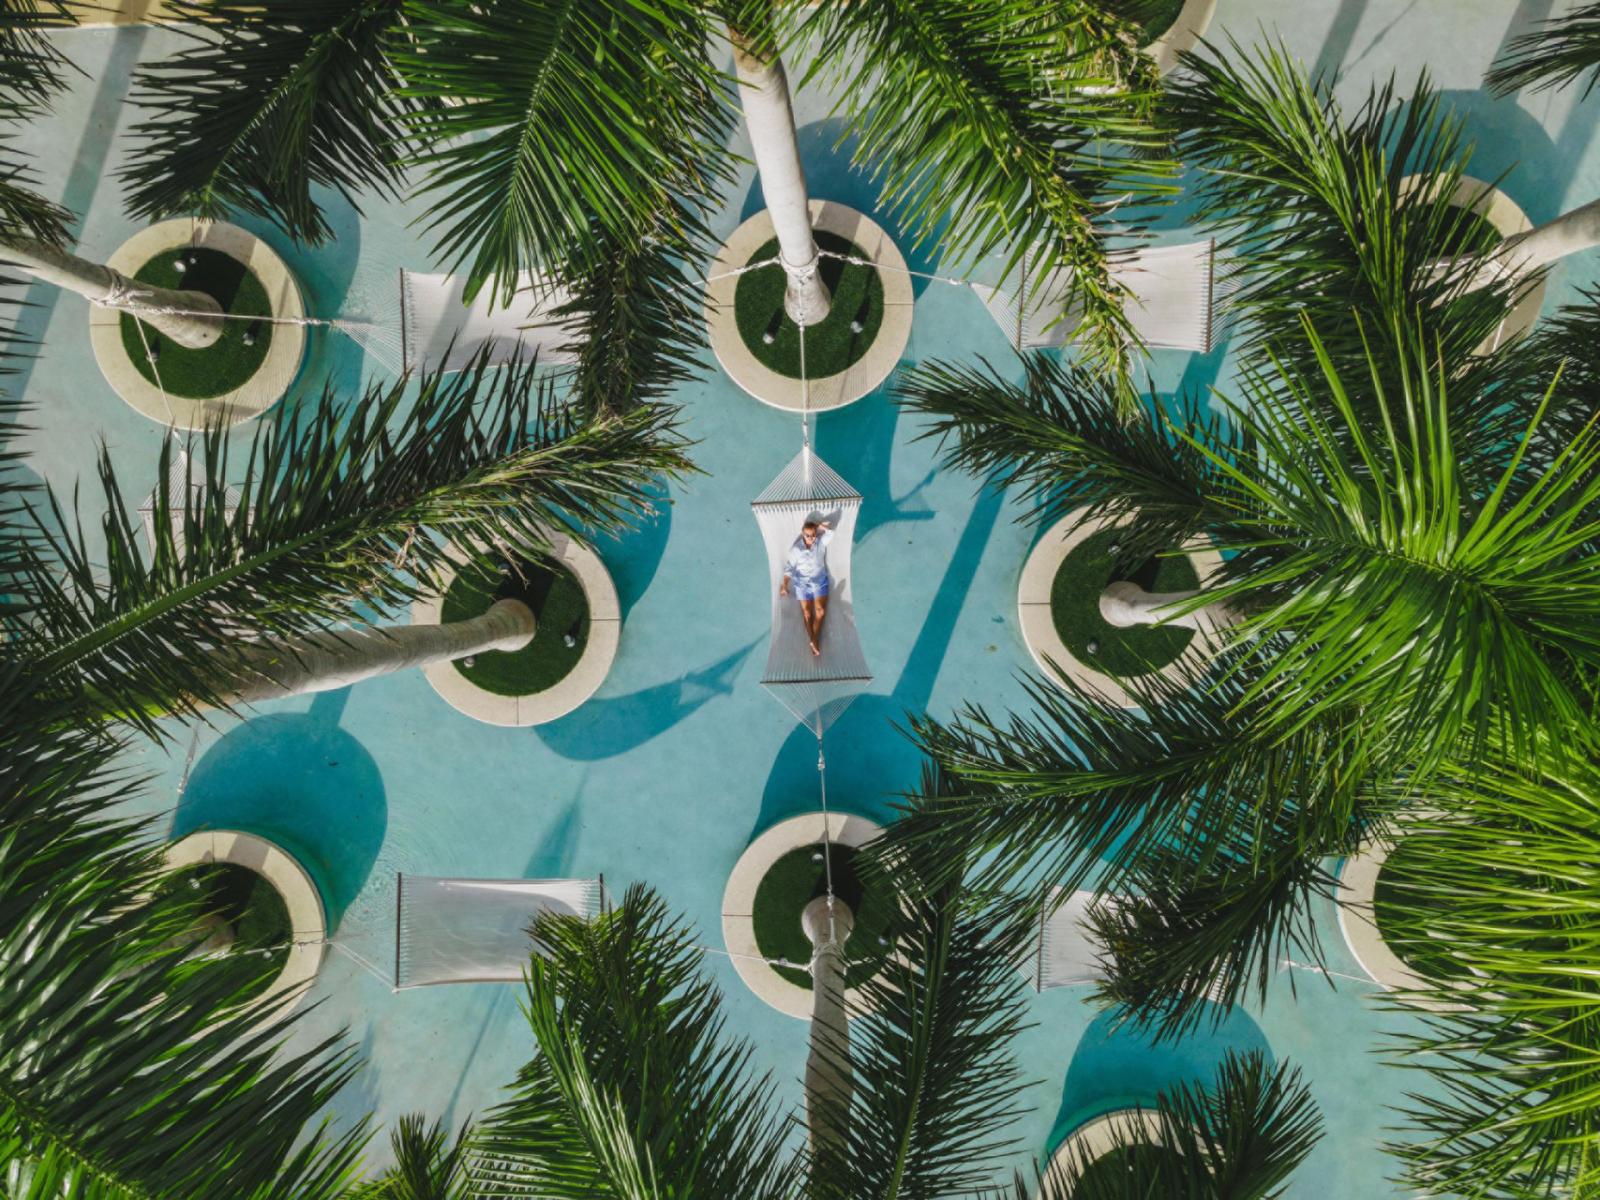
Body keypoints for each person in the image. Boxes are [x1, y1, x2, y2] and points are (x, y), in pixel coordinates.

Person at [780, 519, 833, 657]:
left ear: (816, 533)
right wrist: (784, 585)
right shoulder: (796, 549)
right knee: (807, 614)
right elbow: (789, 568)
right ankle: (814, 642)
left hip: (819, 582)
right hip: (802, 584)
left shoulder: (820, 543)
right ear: (802, 534)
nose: (811, 538)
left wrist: (819, 525)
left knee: (820, 612)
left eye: (813, 534)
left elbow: (831, 532)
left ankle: (813, 640)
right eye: (807, 535)